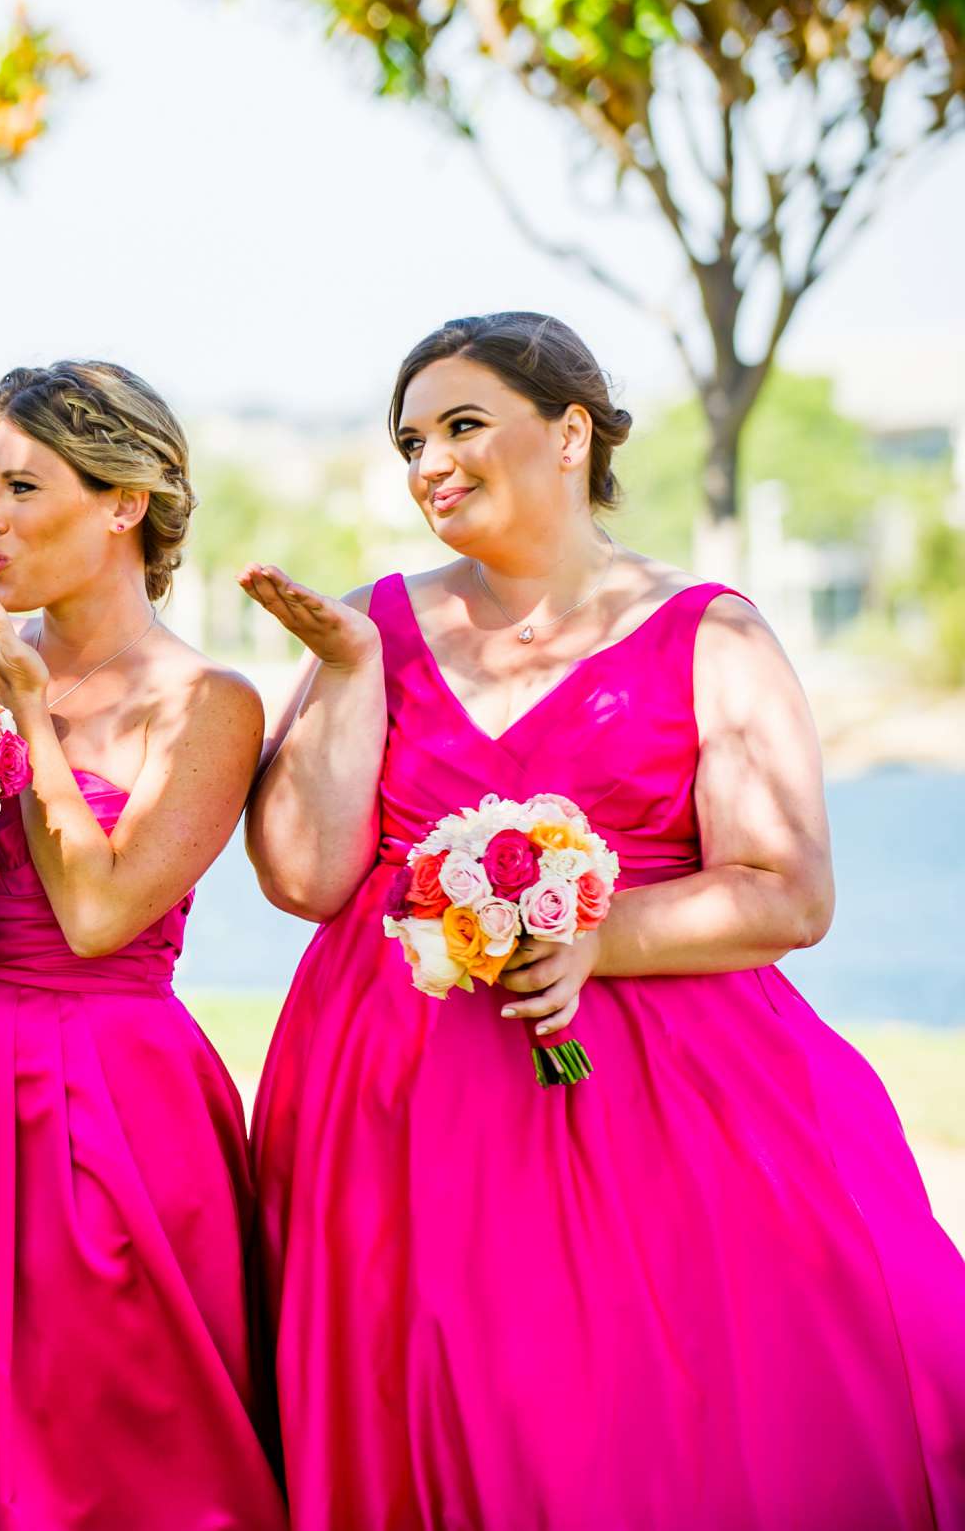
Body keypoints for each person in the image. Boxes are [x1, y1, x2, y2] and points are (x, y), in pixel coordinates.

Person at [242, 311, 965, 1529]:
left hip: (649, 1118)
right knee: (422, 1425)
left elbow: (790, 889)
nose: (431, 462)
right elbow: (307, 880)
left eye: (464, 425)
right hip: (390, 1127)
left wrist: (598, 934)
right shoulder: (373, 624)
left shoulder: (711, 634)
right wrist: (353, 677)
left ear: (570, 432)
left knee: (613, 1434)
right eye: (411, 438)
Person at [0, 360, 288, 1529]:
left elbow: (98, 913)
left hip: (107, 1109)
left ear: (124, 502)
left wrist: (32, 714)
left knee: (107, 1436)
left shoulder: (207, 703)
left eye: (22, 487)